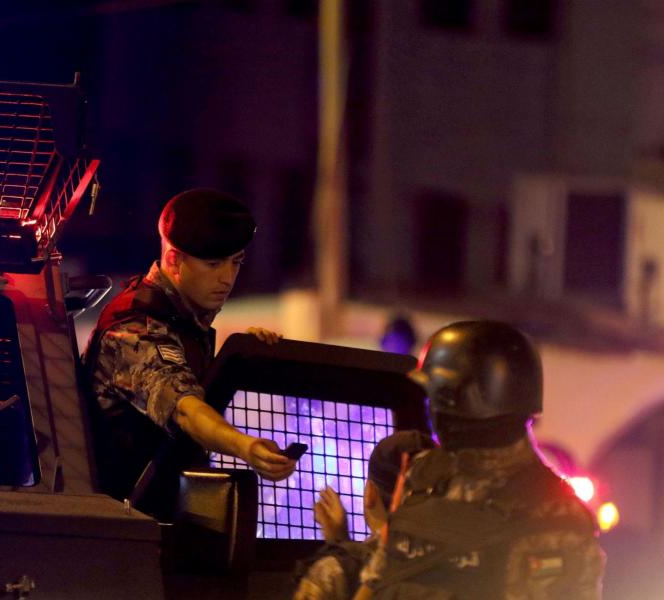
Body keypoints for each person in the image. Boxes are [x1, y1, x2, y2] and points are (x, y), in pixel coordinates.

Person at [83, 188, 296, 517]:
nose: (227, 278)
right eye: (213, 264)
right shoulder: (135, 329)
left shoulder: (183, 321)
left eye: (235, 263)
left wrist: (242, 354)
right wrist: (247, 447)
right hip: (116, 529)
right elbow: (183, 409)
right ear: (173, 260)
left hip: (148, 522)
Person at [357, 320, 605, 599]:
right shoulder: (565, 515)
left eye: (434, 397)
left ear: (456, 400)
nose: (430, 409)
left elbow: (374, 583)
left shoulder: (422, 478)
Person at [293, 430, 435, 600]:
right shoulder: (461, 566)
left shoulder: (332, 571)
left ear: (370, 494)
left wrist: (343, 559)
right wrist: (342, 545)